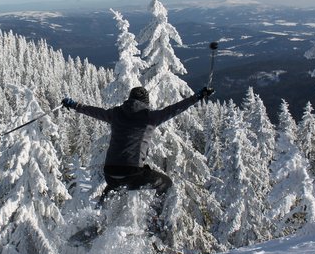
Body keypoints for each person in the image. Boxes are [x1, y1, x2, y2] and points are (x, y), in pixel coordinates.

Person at [62, 86, 214, 204]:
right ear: (146, 103)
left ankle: (98, 223)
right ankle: (155, 221)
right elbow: (175, 109)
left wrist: (75, 105)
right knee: (166, 184)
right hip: (133, 173)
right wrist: (198, 96)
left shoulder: (115, 114)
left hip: (110, 173)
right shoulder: (150, 117)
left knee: (115, 189)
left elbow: (94, 111)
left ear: (129, 99)